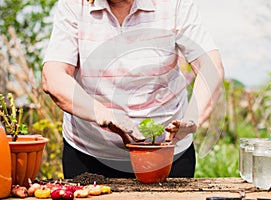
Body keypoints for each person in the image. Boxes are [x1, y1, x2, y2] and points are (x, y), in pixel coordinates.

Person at [42, 0, 224, 179]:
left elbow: (210, 68)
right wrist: (103, 113)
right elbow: (54, 77)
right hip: (89, 155)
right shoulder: (74, 5)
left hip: (167, 155)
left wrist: (193, 117)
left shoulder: (174, 4)